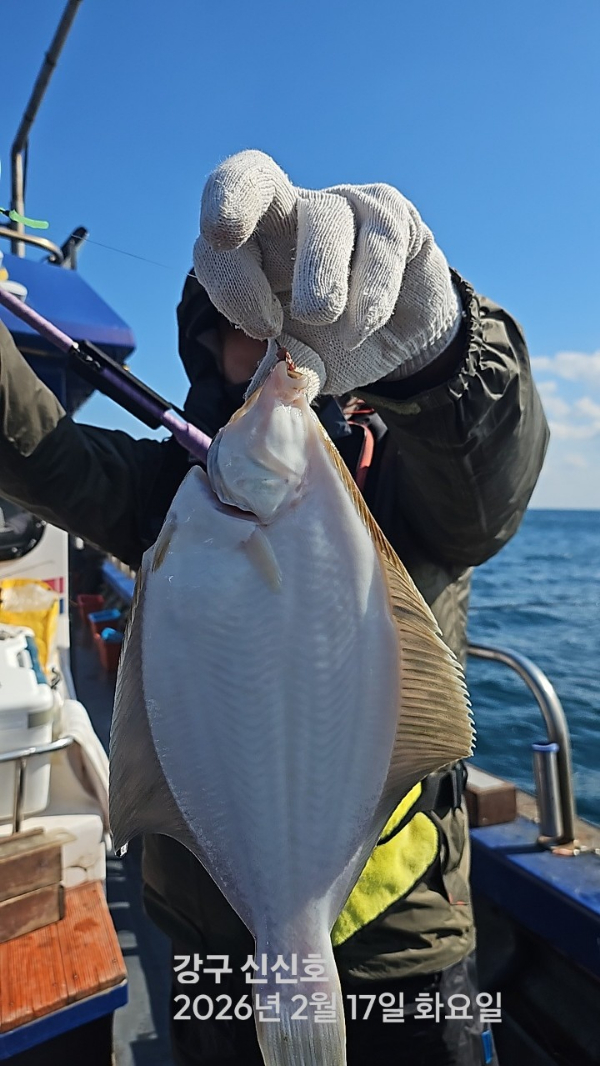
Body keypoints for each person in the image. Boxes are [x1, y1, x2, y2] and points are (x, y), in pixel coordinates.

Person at [0, 150, 549, 1066]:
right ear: (209, 345)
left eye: (307, 321)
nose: (286, 349)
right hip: (214, 944)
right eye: (252, 326)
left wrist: (445, 351)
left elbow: (487, 478)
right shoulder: (167, 492)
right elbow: (39, 450)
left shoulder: (421, 482)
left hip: (401, 947)